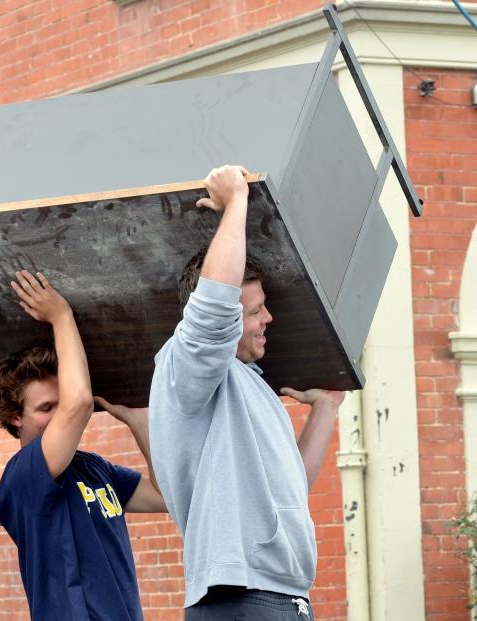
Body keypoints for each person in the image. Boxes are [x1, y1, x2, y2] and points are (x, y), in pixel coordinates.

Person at [149, 165, 345, 620]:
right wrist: (236, 202)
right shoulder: (187, 366)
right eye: (255, 311)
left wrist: (326, 408)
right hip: (240, 597)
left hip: (279, 596)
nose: (268, 319)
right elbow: (214, 306)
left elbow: (291, 486)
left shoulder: (247, 387)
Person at [0, 270, 166, 621]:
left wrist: (139, 423)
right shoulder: (24, 473)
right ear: (15, 416)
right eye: (45, 408)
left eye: (61, 402)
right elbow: (79, 404)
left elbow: (166, 497)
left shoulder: (95, 468)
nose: (59, 416)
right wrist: (60, 316)